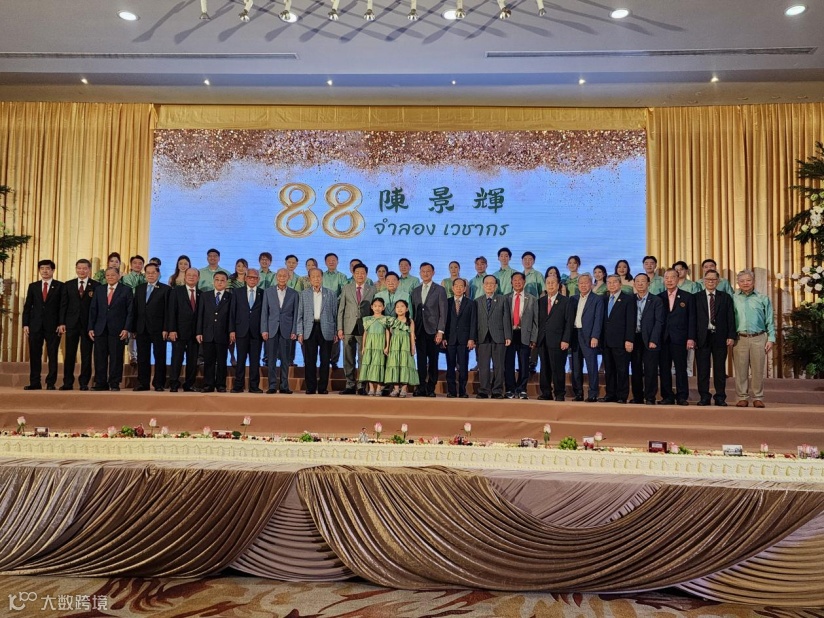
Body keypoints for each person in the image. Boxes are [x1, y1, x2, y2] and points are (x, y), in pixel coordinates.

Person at [732, 269, 775, 408]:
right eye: (742, 281)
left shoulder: (763, 298)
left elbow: (770, 320)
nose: (745, 283)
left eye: (748, 280)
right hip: (739, 338)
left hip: (759, 337)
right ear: (738, 283)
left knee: (758, 369)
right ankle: (742, 397)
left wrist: (771, 338)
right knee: (740, 370)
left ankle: (758, 397)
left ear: (754, 281)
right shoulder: (733, 298)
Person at [88, 267, 133, 391]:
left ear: (119, 276)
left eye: (113, 275)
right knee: (100, 357)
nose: (110, 277)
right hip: (100, 329)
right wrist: (91, 327)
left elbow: (130, 311)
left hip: (118, 329)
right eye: (107, 275)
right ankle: (100, 383)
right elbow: (93, 309)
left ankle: (114, 383)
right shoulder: (99, 289)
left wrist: (126, 328)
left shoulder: (126, 290)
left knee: (116, 357)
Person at [695, 268, 735, 406]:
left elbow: (730, 318)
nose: (711, 282)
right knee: (703, 369)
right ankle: (704, 397)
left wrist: (731, 335)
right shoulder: (696, 297)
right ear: (703, 281)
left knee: (719, 369)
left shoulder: (725, 297)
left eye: (713, 279)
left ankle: (720, 397)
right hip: (702, 337)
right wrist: (692, 337)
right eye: (708, 279)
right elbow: (692, 320)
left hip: (720, 337)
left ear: (718, 281)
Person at [22, 259, 64, 390]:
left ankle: (50, 383)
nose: (45, 271)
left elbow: (63, 307)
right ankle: (35, 382)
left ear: (53, 270)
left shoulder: (60, 286)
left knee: (52, 354)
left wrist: (61, 323)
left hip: (53, 326)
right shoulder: (33, 286)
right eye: (42, 268)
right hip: (35, 325)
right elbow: (28, 306)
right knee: (35, 354)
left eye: (47, 268)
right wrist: (25, 324)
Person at [658, 268, 696, 406]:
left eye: (672, 277)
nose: (669, 280)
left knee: (681, 368)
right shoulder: (659, 297)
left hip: (680, 338)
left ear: (678, 279)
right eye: (666, 278)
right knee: (664, 369)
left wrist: (691, 337)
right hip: (663, 339)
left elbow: (692, 319)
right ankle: (667, 396)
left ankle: (682, 396)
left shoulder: (687, 297)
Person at [297, 268, 338, 395]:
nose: (316, 279)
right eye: (313, 276)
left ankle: (322, 387)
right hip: (309, 329)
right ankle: (310, 387)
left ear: (322, 277)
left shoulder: (331, 294)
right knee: (310, 360)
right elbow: (300, 315)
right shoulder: (304, 294)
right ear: (309, 279)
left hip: (326, 328)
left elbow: (335, 314)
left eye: (318, 276)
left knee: (325, 360)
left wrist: (335, 332)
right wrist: (300, 332)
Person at [59, 259, 98, 391]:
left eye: (84, 268)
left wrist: (94, 325)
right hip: (71, 324)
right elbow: (63, 305)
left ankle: (84, 382)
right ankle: (67, 382)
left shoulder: (96, 285)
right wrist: (62, 322)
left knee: (86, 355)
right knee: (70, 354)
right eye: (79, 268)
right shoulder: (68, 285)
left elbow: (97, 308)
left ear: (89, 270)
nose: (82, 271)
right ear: (76, 269)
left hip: (88, 326)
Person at [338, 263, 376, 395]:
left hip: (364, 328)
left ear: (366, 274)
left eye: (363, 273)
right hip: (348, 326)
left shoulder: (372, 289)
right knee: (348, 357)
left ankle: (361, 386)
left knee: (363, 357)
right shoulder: (346, 288)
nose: (360, 275)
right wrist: (340, 328)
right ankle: (350, 384)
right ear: (353, 274)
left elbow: (374, 310)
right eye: (357, 273)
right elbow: (341, 309)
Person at [132, 263, 169, 392]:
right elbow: (135, 309)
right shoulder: (140, 288)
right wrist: (134, 328)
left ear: (158, 274)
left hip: (159, 329)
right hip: (142, 328)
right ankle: (143, 383)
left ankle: (159, 383)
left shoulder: (165, 289)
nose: (151, 275)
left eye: (153, 273)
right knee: (142, 357)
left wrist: (166, 328)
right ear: (145, 274)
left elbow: (168, 311)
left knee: (160, 356)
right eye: (148, 273)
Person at [411, 262, 447, 397]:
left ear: (433, 273)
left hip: (434, 331)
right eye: (423, 271)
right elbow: (413, 312)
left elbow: (443, 312)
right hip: (419, 331)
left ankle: (431, 388)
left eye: (428, 271)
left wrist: (440, 331)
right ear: (420, 273)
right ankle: (421, 387)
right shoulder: (415, 291)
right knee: (420, 361)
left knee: (433, 361)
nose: (425, 273)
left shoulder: (439, 290)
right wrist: (412, 332)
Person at [262, 268, 299, 394]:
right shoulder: (268, 292)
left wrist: (294, 330)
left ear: (288, 277)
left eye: (284, 276)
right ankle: (272, 386)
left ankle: (284, 386)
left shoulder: (294, 293)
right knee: (271, 359)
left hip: (287, 330)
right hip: (271, 329)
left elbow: (295, 314)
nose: (282, 278)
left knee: (285, 360)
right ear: (276, 277)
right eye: (280, 275)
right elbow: (264, 312)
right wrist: (264, 329)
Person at [600, 274, 636, 404]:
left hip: (621, 341)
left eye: (614, 282)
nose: (611, 285)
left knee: (622, 369)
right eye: (609, 282)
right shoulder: (603, 299)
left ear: (620, 284)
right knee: (609, 370)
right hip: (606, 341)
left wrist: (629, 339)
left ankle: (622, 395)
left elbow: (631, 321)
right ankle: (610, 394)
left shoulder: (628, 299)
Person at [474, 274, 512, 399]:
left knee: (499, 366)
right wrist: (473, 338)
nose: (489, 285)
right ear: (483, 286)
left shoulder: (502, 299)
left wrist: (508, 336)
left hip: (499, 336)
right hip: (482, 337)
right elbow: (474, 321)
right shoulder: (477, 301)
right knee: (483, 366)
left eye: (492, 283)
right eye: (487, 283)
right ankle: (484, 390)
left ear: (496, 286)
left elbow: (506, 318)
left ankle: (497, 391)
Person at [568, 272, 604, 402]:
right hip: (575, 335)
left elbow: (598, 319)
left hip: (589, 336)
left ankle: (593, 393)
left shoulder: (597, 299)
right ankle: (578, 393)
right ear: (578, 285)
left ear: (591, 284)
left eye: (586, 283)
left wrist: (595, 336)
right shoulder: (573, 299)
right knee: (576, 366)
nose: (583, 285)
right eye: (581, 283)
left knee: (591, 366)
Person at [630, 273, 665, 405]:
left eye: (643, 281)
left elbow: (659, 322)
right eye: (637, 281)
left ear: (648, 283)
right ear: (634, 284)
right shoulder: (630, 300)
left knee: (650, 369)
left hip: (650, 339)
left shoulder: (656, 300)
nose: (640, 284)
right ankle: (637, 397)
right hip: (634, 338)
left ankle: (650, 397)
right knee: (636, 368)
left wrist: (654, 340)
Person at [536, 274, 572, 401]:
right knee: (544, 368)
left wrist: (565, 339)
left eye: (553, 283)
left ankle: (559, 393)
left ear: (558, 285)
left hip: (558, 341)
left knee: (558, 368)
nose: (550, 285)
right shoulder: (540, 301)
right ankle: (546, 393)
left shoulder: (566, 301)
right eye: (548, 283)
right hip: (542, 340)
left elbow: (569, 323)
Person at [166, 267, 201, 392]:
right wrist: (172, 329)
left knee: (192, 360)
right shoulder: (176, 291)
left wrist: (200, 332)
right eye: (189, 275)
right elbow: (171, 311)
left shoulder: (201, 294)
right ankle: (174, 384)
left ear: (198, 278)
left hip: (195, 333)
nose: (191, 277)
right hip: (179, 332)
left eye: (194, 275)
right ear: (185, 277)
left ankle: (189, 384)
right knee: (177, 359)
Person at [196, 271, 232, 393]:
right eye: (217, 279)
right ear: (213, 281)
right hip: (208, 333)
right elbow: (200, 315)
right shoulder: (205, 296)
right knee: (209, 361)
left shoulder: (230, 297)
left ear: (226, 282)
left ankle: (221, 385)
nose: (219, 282)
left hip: (223, 334)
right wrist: (199, 332)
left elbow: (231, 317)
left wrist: (231, 332)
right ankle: (208, 384)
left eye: (222, 280)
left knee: (222, 361)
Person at [505, 272, 538, 399]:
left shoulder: (532, 299)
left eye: (520, 280)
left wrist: (534, 338)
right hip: (509, 334)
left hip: (525, 334)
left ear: (524, 282)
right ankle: (510, 389)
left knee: (524, 363)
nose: (517, 282)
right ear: (511, 282)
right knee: (509, 363)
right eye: (515, 280)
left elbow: (536, 321)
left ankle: (522, 389)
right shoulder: (506, 298)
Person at [230, 269, 264, 393]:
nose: (252, 279)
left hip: (257, 332)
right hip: (241, 331)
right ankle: (238, 386)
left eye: (255, 278)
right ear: (245, 278)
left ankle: (254, 386)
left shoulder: (263, 293)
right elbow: (232, 312)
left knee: (255, 360)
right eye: (250, 277)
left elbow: (265, 314)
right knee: (241, 359)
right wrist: (232, 330)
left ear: (258, 280)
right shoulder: (237, 292)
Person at [443, 278, 476, 399]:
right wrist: (443, 337)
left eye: (461, 286)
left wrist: (471, 338)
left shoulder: (470, 303)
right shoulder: (447, 302)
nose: (458, 288)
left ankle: (462, 391)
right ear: (452, 288)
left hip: (464, 340)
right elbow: (443, 321)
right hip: (450, 339)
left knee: (463, 366)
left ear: (465, 288)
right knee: (450, 366)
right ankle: (451, 391)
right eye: (456, 286)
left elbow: (473, 322)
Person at [385, 300, 419, 398]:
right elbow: (389, 335)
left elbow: (412, 335)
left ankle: (404, 388)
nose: (400, 309)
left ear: (407, 309)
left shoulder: (410, 321)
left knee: (405, 365)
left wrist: (413, 347)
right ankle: (396, 389)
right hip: (394, 347)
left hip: (405, 347)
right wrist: (387, 347)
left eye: (402, 306)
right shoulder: (392, 321)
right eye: (397, 307)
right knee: (394, 365)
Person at [360, 298, 391, 396]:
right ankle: (371, 388)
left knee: (379, 365)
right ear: (372, 307)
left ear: (383, 307)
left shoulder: (385, 319)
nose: (377, 308)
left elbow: (387, 333)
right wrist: (363, 347)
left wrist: (387, 346)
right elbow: (365, 333)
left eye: (380, 306)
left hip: (380, 345)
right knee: (369, 364)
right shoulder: (367, 319)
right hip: (370, 345)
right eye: (375, 306)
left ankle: (378, 388)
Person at [323, 252, 348, 370]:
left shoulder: (342, 276)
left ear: (337, 262)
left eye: (334, 260)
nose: (331, 262)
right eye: (329, 260)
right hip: (322, 309)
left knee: (336, 335)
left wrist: (334, 301)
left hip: (338, 308)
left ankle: (334, 361)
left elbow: (344, 292)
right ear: (325, 262)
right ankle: (324, 360)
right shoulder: (321, 275)